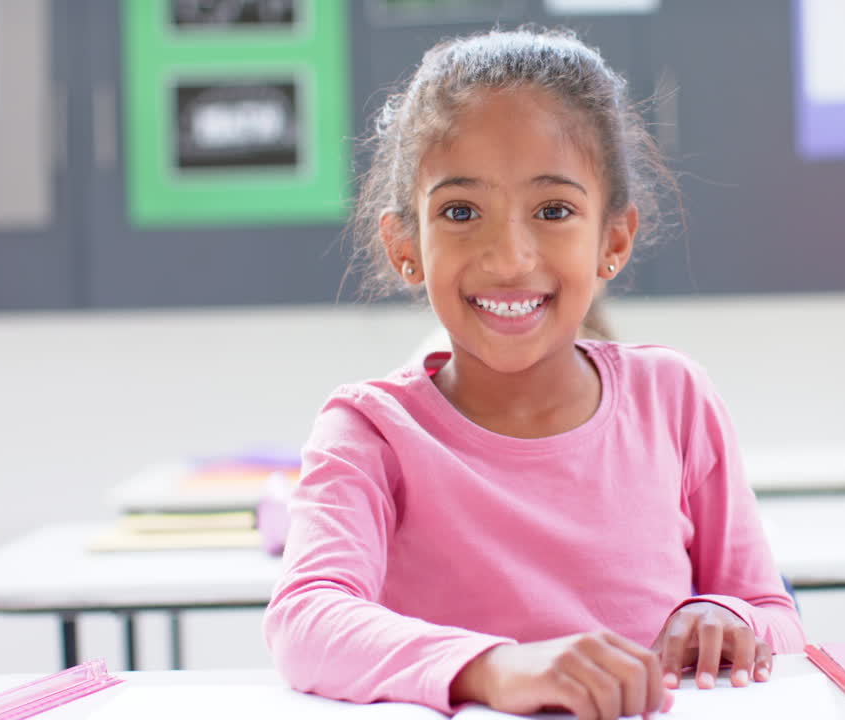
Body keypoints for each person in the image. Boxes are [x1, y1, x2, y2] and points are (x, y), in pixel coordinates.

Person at [263, 27, 805, 719]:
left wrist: (730, 621)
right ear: (406, 247)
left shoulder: (674, 399)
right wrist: (494, 667)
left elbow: (776, 616)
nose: (510, 257)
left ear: (612, 240)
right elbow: (306, 620)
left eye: (553, 211)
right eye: (460, 212)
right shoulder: (372, 430)